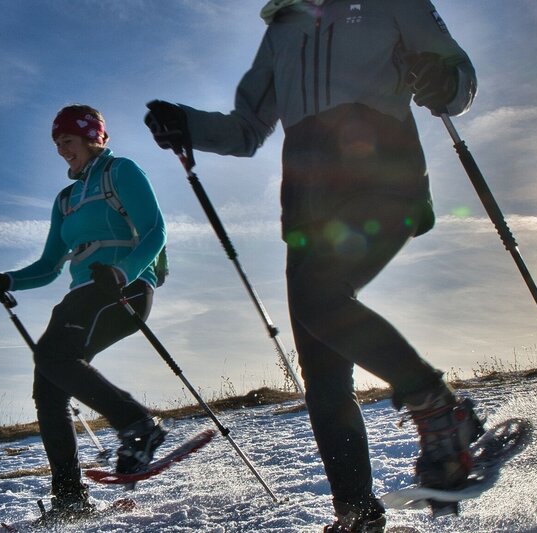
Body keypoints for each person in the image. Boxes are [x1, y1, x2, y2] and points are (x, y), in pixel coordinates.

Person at [144, 1, 483, 531]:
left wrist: (446, 81)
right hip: (308, 207)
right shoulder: (283, 28)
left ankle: (439, 409)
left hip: (383, 181)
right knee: (322, 368)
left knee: (318, 299)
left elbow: (458, 73)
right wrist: (186, 124)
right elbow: (248, 127)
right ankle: (356, 514)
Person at [0, 104, 167, 523]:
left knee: (52, 357)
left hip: (123, 287)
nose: (62, 150)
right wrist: (6, 281)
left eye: (67, 141)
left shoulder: (121, 172)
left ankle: (137, 424)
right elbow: (49, 267)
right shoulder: (65, 200)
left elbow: (155, 230)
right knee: (48, 387)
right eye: (57, 144)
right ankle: (69, 498)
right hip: (81, 293)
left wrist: (123, 272)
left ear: (90, 137)